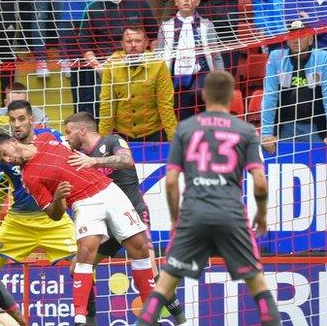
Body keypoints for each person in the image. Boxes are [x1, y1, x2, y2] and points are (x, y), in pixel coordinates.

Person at [136, 71, 281, 326]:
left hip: (193, 213)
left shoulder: (186, 128)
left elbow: (171, 181)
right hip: (231, 213)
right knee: (257, 283)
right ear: (231, 96)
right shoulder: (245, 130)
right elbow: (259, 180)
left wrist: (176, 219)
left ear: (203, 95)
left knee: (165, 285)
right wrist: (262, 214)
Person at [0, 129, 155, 326]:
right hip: (83, 202)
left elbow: (80, 140)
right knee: (85, 252)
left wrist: (93, 159)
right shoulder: (28, 178)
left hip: (109, 190)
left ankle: (150, 317)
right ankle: (80, 318)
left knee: (140, 249)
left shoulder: (47, 138)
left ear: (13, 141)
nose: (8, 160)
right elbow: (54, 215)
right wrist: (57, 198)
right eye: (3, 161)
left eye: (5, 153)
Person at [63, 111, 186, 325]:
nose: (66, 137)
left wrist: (94, 161)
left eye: (69, 132)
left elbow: (127, 160)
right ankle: (89, 321)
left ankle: (182, 320)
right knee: (78, 267)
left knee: (152, 273)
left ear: (82, 130)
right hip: (106, 224)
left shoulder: (111, 141)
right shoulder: (77, 157)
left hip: (133, 214)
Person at [0, 100, 77, 273]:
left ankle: (86, 301)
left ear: (31, 119)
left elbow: (73, 159)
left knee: (82, 264)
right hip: (19, 221)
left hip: (55, 219)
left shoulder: (51, 137)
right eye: (12, 120)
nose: (17, 124)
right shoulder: (3, 149)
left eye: (21, 119)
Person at [98, 26, 177, 141]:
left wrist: (173, 138)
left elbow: (165, 104)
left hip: (153, 132)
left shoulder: (158, 64)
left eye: (138, 41)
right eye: (129, 41)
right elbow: (107, 104)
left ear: (146, 44)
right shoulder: (111, 65)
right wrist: (103, 140)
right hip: (122, 133)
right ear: (122, 44)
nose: (133, 45)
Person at [261, 20, 327, 153]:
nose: (296, 40)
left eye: (301, 35)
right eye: (292, 36)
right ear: (286, 39)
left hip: (315, 127)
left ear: (310, 39)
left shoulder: (323, 58)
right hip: (285, 126)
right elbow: (270, 96)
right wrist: (267, 133)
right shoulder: (276, 58)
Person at [157, 0, 225, 121]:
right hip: (174, 75)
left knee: (200, 92)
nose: (187, 0)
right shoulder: (165, 27)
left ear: (198, 1)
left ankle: (208, 127)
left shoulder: (206, 25)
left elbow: (216, 56)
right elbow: (159, 56)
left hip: (202, 72)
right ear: (176, 1)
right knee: (180, 103)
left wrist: (221, 79)